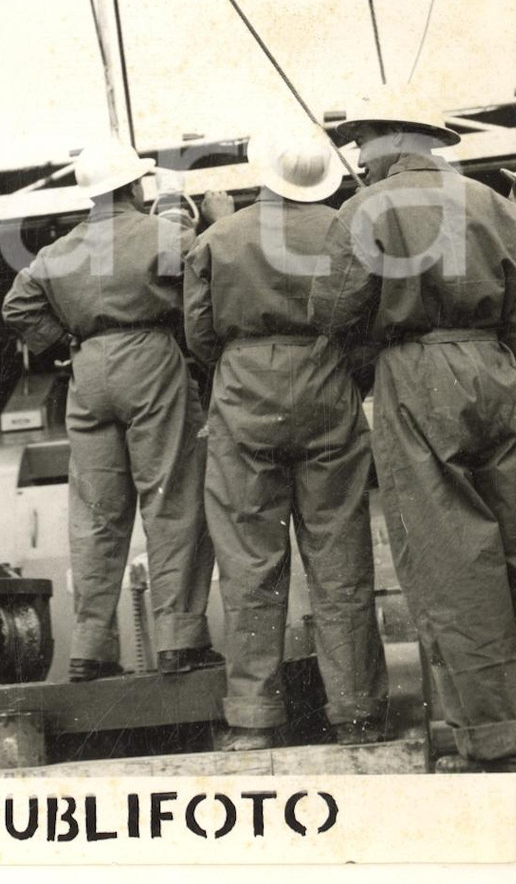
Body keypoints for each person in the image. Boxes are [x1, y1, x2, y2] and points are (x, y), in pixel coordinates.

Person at [309, 95, 516, 773]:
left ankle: (492, 734)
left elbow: (338, 308)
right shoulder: (490, 201)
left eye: (359, 140)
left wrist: (376, 365)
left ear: (376, 142)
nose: (357, 154)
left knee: (451, 561)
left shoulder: (364, 210)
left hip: (415, 370)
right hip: (497, 365)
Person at [185, 129, 388, 751]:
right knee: (340, 561)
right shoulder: (348, 229)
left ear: (264, 175)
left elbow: (198, 333)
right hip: (327, 387)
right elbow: (369, 319)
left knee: (249, 566)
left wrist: (244, 365)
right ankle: (357, 716)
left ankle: (252, 721)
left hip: (245, 392)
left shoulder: (218, 239)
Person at [2, 138, 221, 682]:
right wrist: (213, 223)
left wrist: (65, 340)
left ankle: (92, 648)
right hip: (149, 358)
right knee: (171, 498)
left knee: (96, 513)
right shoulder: (163, 234)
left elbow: (17, 305)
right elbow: (206, 281)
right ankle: (179, 639)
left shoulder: (57, 253)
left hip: (88, 368)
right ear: (135, 185)